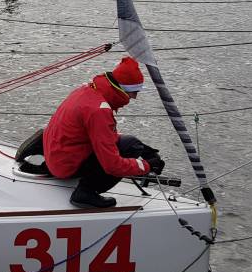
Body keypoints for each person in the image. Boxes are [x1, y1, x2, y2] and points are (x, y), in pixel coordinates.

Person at [43, 56, 165, 208]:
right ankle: (85, 193)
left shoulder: (87, 90)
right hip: (66, 167)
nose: (134, 97)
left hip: (55, 159)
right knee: (130, 147)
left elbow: (100, 134)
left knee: (134, 144)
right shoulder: (99, 110)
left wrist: (144, 148)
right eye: (133, 91)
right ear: (120, 88)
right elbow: (112, 165)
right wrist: (146, 166)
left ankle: (76, 180)